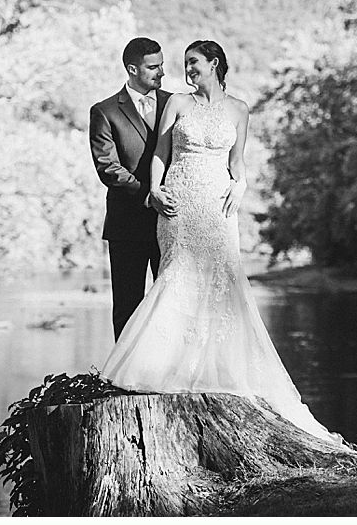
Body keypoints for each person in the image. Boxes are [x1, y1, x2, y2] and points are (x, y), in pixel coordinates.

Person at [101, 40, 341, 444]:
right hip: (179, 202)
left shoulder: (239, 109)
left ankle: (213, 371)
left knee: (221, 284)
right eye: (184, 64)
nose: (186, 70)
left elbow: (237, 160)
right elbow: (161, 152)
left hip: (218, 206)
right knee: (176, 279)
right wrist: (155, 190)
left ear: (215, 64)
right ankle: (157, 370)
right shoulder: (177, 103)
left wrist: (242, 185)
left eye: (193, 63)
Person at [89, 37, 174, 340]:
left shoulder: (174, 103)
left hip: (173, 222)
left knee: (173, 303)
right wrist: (149, 195)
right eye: (153, 67)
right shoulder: (105, 111)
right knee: (127, 304)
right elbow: (108, 169)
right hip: (127, 223)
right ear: (132, 69)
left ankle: (168, 374)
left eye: (162, 65)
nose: (161, 72)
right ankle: (122, 378)